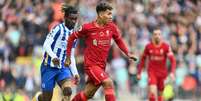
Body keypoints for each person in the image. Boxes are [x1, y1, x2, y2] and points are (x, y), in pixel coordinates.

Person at [64, 2, 137, 101]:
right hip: (91, 65)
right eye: (108, 14)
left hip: (102, 66)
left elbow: (119, 40)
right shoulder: (87, 27)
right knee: (108, 82)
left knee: (88, 93)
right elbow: (71, 38)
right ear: (100, 14)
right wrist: (68, 56)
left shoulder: (111, 27)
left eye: (111, 13)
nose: (111, 16)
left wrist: (128, 53)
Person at [32, 4, 79, 101]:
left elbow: (71, 56)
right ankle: (37, 98)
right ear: (65, 17)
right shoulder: (58, 29)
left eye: (75, 19)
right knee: (46, 99)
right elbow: (46, 45)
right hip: (49, 67)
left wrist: (75, 73)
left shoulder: (74, 35)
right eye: (71, 19)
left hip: (63, 68)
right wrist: (53, 57)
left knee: (68, 91)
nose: (73, 21)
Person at [137, 28, 176, 101]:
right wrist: (139, 72)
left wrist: (172, 73)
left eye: (159, 34)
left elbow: (173, 60)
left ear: (161, 36)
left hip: (162, 73)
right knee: (152, 93)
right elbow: (142, 59)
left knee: (161, 96)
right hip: (152, 72)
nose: (157, 36)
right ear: (152, 36)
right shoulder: (148, 47)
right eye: (155, 34)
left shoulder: (166, 47)